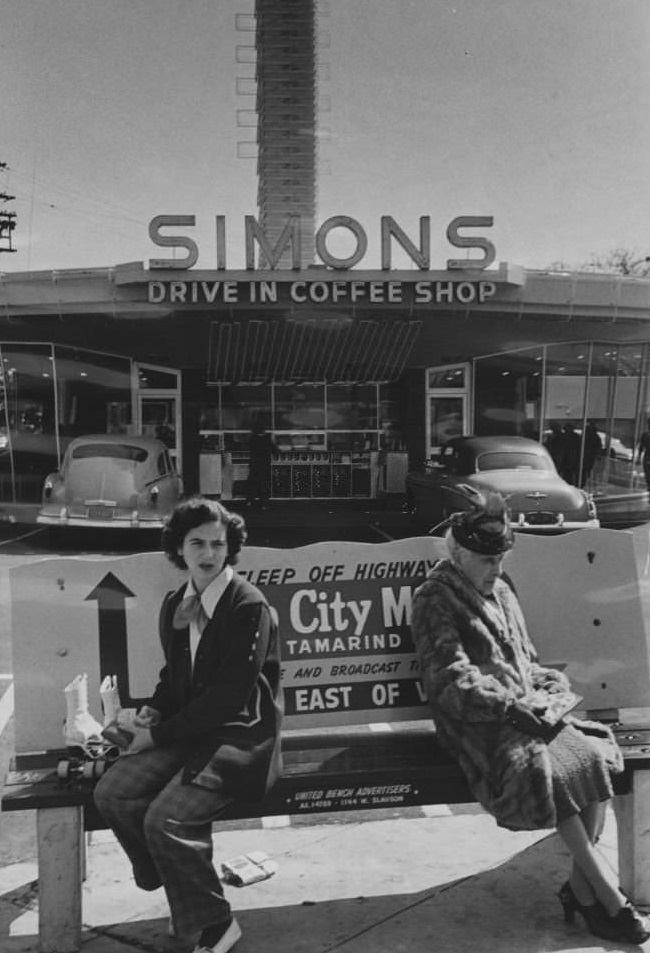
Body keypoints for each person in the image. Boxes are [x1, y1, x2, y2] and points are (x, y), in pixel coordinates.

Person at [411, 491, 649, 945]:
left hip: (525, 713)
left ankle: (580, 890)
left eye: (501, 558)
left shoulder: (500, 590)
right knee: (549, 773)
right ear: (460, 555)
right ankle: (605, 894)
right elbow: (449, 681)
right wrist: (508, 705)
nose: (497, 569)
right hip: (478, 724)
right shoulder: (434, 599)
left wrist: (550, 688)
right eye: (488, 560)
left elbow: (526, 661)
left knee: (592, 757)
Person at [94, 497, 283, 953]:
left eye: (218, 543)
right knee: (112, 793)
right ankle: (181, 887)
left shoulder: (248, 606)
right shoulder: (176, 604)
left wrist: (157, 735)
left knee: (166, 820)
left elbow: (229, 697)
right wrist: (155, 711)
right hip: (189, 730)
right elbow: (174, 677)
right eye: (197, 543)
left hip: (240, 736)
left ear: (230, 548)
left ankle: (217, 924)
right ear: (179, 548)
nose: (209, 553)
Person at [246, 420, 277, 507]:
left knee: (252, 483)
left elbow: (248, 447)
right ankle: (264, 504)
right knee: (264, 484)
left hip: (254, 464)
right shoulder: (267, 439)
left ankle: (249, 501)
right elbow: (275, 450)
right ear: (263, 430)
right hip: (265, 464)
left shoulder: (253, 439)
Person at [637, 418, 650, 492]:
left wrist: (639, 457)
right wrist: (639, 457)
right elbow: (641, 447)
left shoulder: (645, 434)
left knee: (647, 473)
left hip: (647, 456)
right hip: (647, 456)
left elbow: (641, 447)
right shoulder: (645, 435)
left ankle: (648, 486)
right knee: (647, 473)